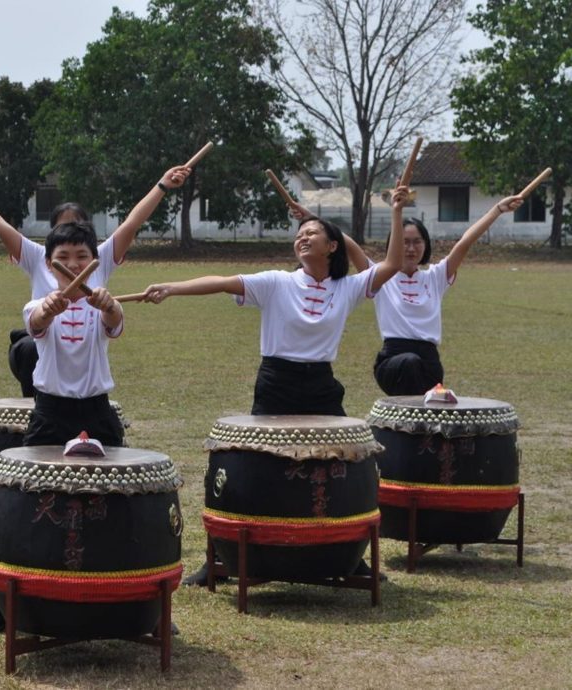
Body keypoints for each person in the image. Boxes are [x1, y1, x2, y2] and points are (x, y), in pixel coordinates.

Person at [140, 184, 412, 583]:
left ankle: (351, 556)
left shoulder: (348, 287)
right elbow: (220, 281)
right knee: (254, 466)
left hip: (321, 384)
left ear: (332, 246)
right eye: (299, 234)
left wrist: (396, 210)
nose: (302, 237)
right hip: (276, 381)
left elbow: (388, 263)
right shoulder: (276, 282)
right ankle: (217, 558)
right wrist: (172, 288)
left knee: (343, 463)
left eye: (312, 233)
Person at [0, 221, 126, 635]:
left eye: (82, 258)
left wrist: (111, 307)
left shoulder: (102, 300)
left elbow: (116, 322)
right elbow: (36, 323)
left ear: (95, 263)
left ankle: (136, 602)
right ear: (50, 266)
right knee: (18, 502)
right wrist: (49, 308)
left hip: (99, 414)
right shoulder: (40, 301)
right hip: (49, 413)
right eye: (62, 259)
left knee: (123, 504)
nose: (73, 265)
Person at [0, 166, 190, 395]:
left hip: (86, 351)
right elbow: (0, 226)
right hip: (44, 342)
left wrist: (162, 186)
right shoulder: (38, 256)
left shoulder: (99, 257)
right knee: (27, 349)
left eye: (78, 230)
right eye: (63, 230)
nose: (72, 253)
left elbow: (132, 223)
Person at [342, 196, 523, 395]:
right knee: (410, 364)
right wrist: (315, 223)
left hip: (429, 362)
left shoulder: (436, 277)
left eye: (417, 242)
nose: (411, 248)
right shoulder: (379, 277)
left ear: (426, 244)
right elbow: (351, 247)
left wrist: (497, 209)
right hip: (393, 361)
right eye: (404, 242)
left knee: (422, 389)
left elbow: (465, 242)